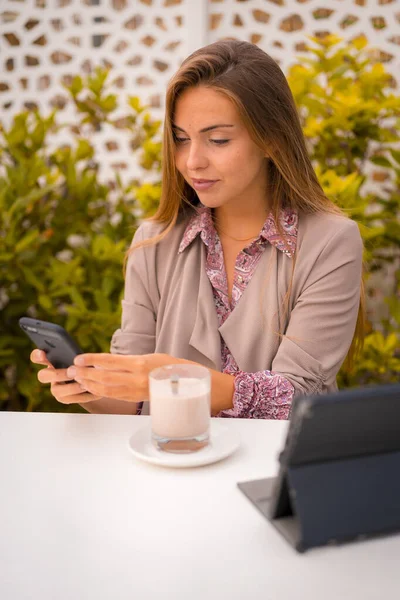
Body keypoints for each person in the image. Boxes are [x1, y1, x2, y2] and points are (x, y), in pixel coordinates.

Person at [31, 40, 364, 419]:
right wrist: (88, 387)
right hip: (172, 466)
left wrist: (172, 378)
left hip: (274, 470)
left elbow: (298, 394)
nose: (192, 162)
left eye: (218, 140)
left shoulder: (330, 241)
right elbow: (134, 401)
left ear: (271, 139)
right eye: (181, 139)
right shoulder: (152, 243)